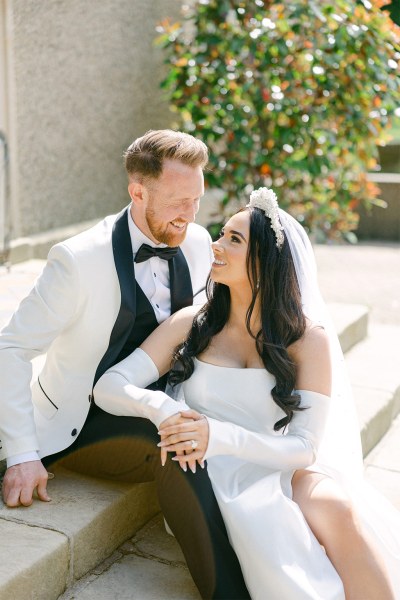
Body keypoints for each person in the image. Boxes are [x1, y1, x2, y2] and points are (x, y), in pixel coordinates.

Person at [94, 187, 400, 599]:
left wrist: (218, 435)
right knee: (271, 526)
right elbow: (109, 386)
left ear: (265, 262)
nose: (216, 245)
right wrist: (165, 410)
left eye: (233, 240)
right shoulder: (193, 323)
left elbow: (305, 447)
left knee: (339, 507)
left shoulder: (307, 340)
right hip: (207, 472)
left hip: (274, 460)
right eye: (221, 234)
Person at [0, 129, 251, 599]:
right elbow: (10, 348)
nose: (191, 215)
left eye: (197, 200)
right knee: (183, 450)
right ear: (138, 192)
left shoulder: (196, 242)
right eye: (179, 201)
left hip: (163, 398)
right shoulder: (78, 259)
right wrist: (22, 455)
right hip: (85, 420)